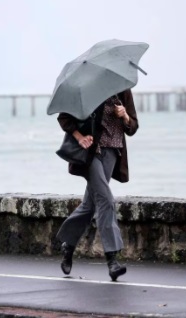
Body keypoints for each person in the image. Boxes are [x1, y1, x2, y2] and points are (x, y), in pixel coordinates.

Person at [55, 89, 138, 281]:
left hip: (112, 152)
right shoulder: (87, 87)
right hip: (91, 152)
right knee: (106, 200)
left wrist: (125, 115)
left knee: (90, 205)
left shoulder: (123, 89)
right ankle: (112, 260)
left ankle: (68, 245)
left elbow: (133, 126)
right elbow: (64, 117)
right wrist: (79, 137)